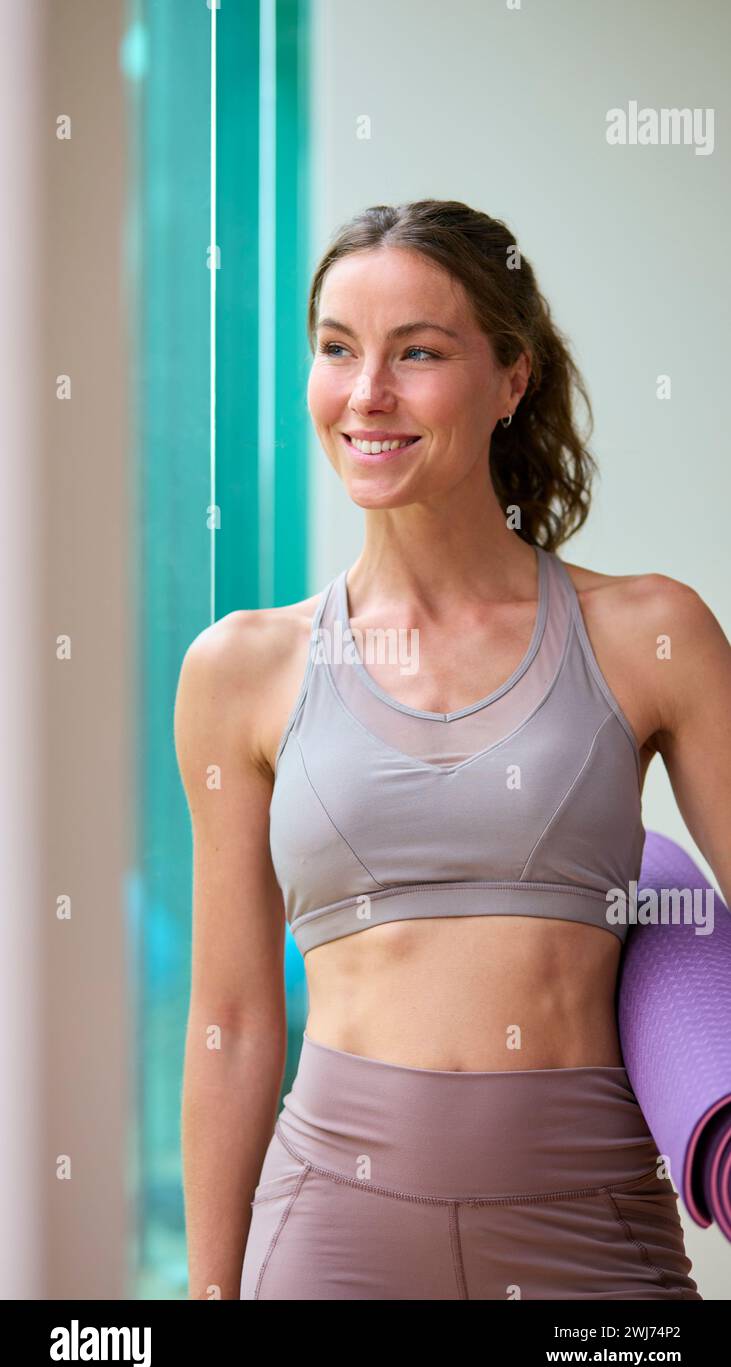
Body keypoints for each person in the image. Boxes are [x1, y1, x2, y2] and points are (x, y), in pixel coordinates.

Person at [175, 200, 730, 1301]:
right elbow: (234, 1022)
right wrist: (208, 1295)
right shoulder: (240, 669)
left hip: (591, 1238)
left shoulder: (649, 633)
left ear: (509, 378)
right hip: (329, 1234)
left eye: (416, 353)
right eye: (336, 350)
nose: (366, 393)